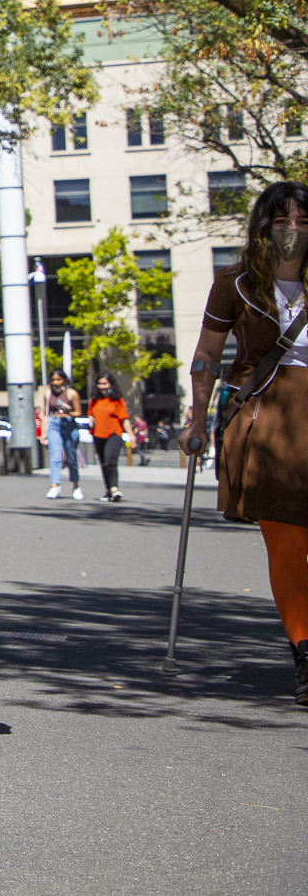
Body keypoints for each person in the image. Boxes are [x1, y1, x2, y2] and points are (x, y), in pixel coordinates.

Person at [183, 182, 308, 709]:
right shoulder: (234, 284)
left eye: (304, 218)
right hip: (268, 418)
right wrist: (196, 418)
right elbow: (207, 355)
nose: (293, 227)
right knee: (286, 544)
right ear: (263, 226)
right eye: (282, 219)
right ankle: (305, 651)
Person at [87, 375, 131, 503]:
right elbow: (90, 413)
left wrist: (131, 437)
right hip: (98, 434)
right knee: (104, 463)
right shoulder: (94, 400)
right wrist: (90, 419)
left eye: (105, 384)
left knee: (110, 460)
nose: (102, 387)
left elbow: (124, 419)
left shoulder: (117, 401)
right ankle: (108, 490)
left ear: (111, 384)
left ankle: (114, 489)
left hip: (114, 434)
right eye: (100, 384)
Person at [44, 370, 84, 500]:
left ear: (64, 380)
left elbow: (79, 412)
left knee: (71, 457)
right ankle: (55, 486)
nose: (56, 383)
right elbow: (44, 413)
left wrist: (69, 412)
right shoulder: (48, 394)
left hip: (69, 424)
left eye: (58, 380)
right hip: (54, 425)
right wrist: (43, 432)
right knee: (55, 456)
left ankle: (76, 486)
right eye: (53, 380)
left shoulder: (72, 394)